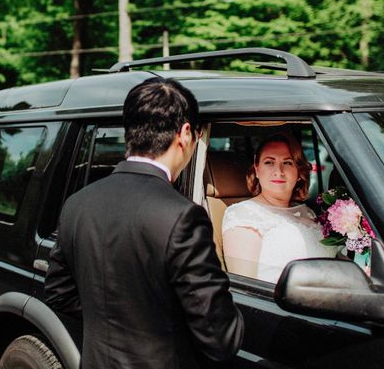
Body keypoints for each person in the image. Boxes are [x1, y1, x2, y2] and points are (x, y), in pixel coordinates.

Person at [45, 77, 244, 369]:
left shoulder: (78, 203)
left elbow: (58, 293)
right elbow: (220, 337)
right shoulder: (182, 216)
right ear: (185, 133)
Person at [222, 133, 336, 283]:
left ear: (299, 172)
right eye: (269, 162)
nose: (278, 171)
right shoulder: (243, 215)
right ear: (257, 169)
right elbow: (247, 287)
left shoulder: (307, 212)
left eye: (288, 163)